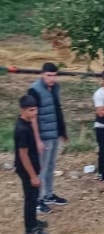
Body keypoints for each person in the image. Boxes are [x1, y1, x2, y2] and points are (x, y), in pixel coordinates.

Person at [27, 62, 69, 213]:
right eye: (49, 75)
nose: (52, 78)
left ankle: (49, 195)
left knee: (51, 167)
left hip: (54, 133)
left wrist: (62, 131)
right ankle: (37, 200)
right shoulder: (34, 90)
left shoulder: (55, 88)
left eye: (54, 75)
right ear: (42, 74)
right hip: (43, 136)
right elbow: (32, 117)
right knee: (41, 169)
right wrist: (37, 140)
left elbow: (57, 109)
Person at [14, 95, 49, 234]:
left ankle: (33, 221)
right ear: (23, 110)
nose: (35, 113)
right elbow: (23, 154)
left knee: (34, 197)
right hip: (27, 169)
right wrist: (33, 176)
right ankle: (30, 229)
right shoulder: (21, 129)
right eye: (31, 110)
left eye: (36, 110)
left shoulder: (27, 122)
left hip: (33, 166)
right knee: (30, 198)